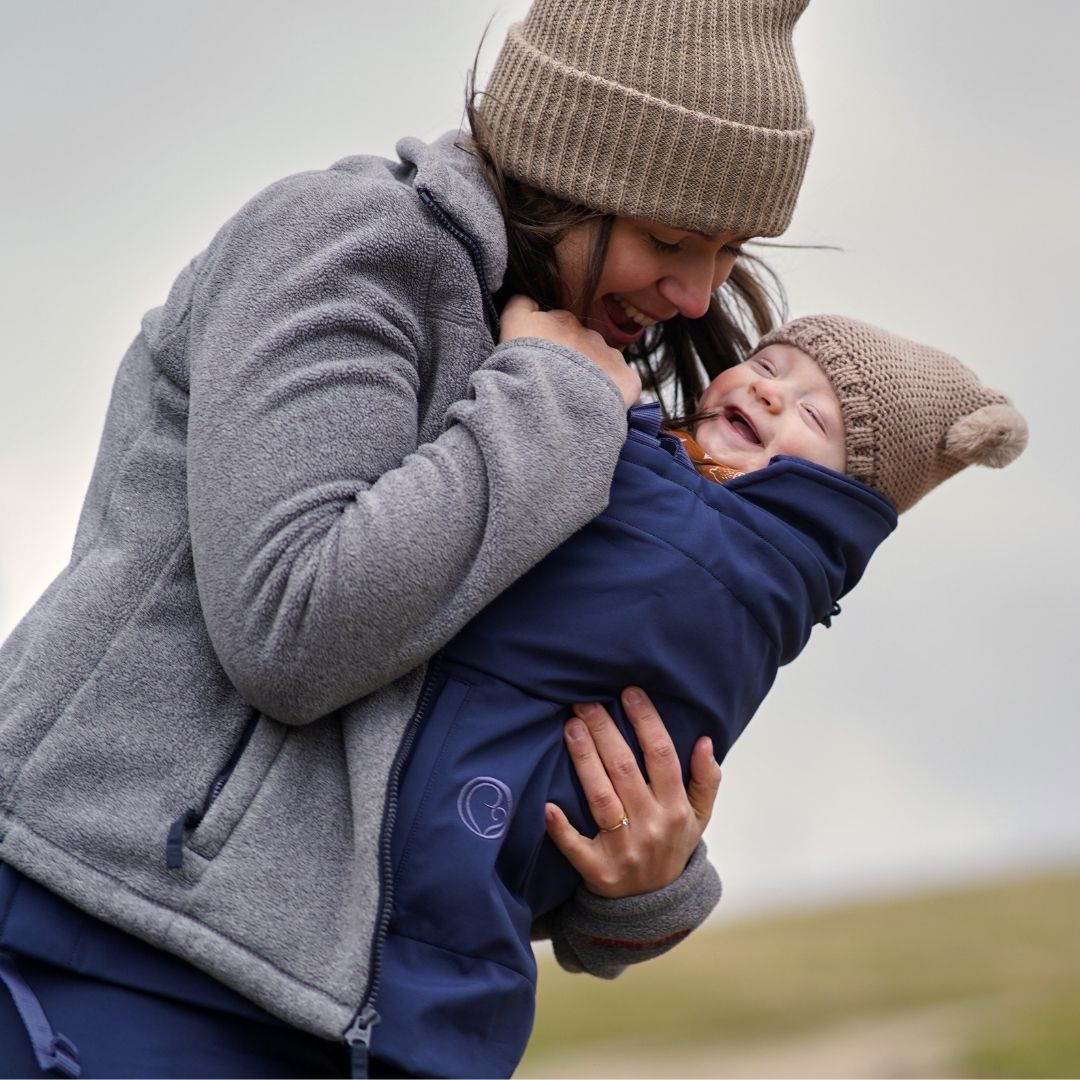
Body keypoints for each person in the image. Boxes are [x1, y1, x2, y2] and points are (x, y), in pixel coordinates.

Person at [0, 1, 819, 1077]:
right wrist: (555, 399)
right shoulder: (347, 243)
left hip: (374, 1030)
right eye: (668, 240)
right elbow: (296, 631)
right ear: (561, 174)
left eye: (728, 252)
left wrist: (643, 879)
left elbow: (475, 739)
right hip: (107, 953)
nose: (697, 293)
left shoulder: (591, 384)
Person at [366, 313, 1026, 1076]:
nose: (771, 394)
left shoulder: (734, 560)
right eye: (769, 365)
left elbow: (606, 512)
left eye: (815, 416)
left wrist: (557, 373)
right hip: (453, 943)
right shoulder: (706, 513)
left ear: (839, 499)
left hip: (424, 898)